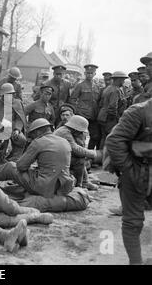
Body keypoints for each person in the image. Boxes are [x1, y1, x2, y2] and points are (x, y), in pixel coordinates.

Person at [0, 118, 91, 212]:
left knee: (9, 167)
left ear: (38, 131)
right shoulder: (64, 141)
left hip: (44, 187)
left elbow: (20, 166)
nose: (32, 137)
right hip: (63, 187)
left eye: (33, 134)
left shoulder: (39, 142)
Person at [106, 98, 152, 265]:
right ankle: (136, 262)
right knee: (133, 222)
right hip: (138, 171)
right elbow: (114, 140)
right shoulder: (139, 111)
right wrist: (128, 168)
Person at [54, 115, 102, 191]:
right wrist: (92, 153)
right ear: (76, 128)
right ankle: (80, 186)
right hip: (56, 158)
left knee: (82, 158)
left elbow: (80, 146)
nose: (81, 132)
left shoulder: (70, 132)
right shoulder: (64, 133)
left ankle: (84, 182)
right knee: (79, 160)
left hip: (61, 155)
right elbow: (76, 149)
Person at [0, 83, 28, 161]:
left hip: (12, 129)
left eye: (11, 94)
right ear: (2, 95)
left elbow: (19, 119)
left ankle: (15, 157)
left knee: (21, 139)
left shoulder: (17, 103)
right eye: (6, 95)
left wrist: (17, 129)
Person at [69, 64, 101, 150]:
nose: (89, 75)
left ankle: (89, 154)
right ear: (84, 73)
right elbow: (72, 99)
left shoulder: (97, 87)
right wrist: (77, 111)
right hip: (82, 115)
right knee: (79, 136)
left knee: (95, 136)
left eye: (91, 73)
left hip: (93, 116)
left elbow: (99, 101)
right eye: (88, 73)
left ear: (95, 74)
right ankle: (78, 155)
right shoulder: (80, 85)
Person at [97, 71, 128, 144]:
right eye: (123, 80)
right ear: (119, 80)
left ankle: (102, 154)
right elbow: (112, 107)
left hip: (103, 117)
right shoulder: (115, 90)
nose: (123, 82)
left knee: (104, 138)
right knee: (109, 139)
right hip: (109, 119)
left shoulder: (109, 88)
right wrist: (115, 119)